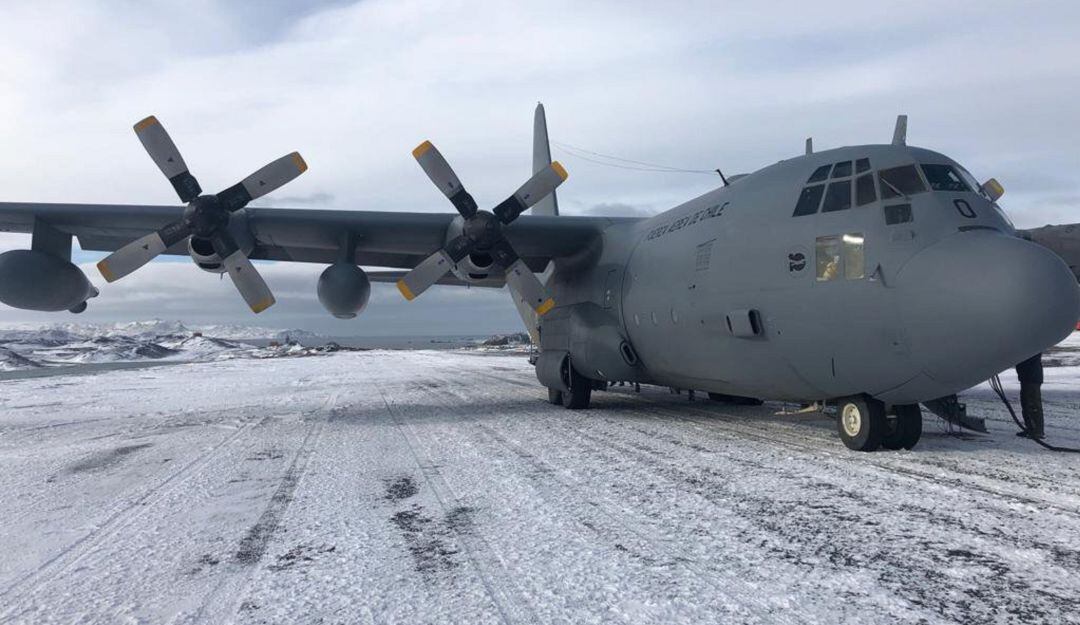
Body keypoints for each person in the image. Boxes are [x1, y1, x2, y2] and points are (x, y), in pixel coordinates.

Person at [1015, 353, 1045, 439]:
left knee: (1033, 404)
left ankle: (1037, 431)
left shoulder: (1032, 350)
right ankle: (1031, 428)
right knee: (1026, 404)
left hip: (1032, 378)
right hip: (1027, 377)